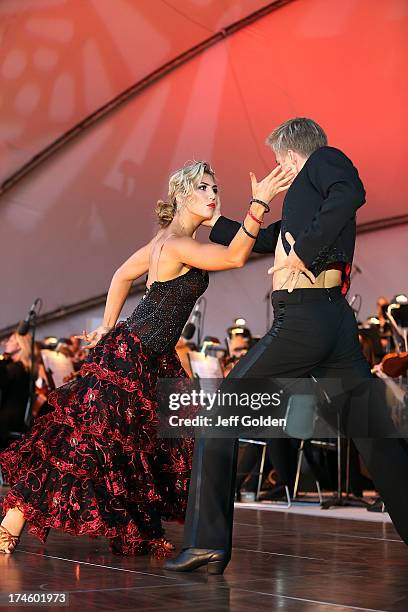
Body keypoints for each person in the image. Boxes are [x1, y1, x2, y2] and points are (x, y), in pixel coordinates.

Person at [0, 160, 294, 556]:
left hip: (143, 355)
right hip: (133, 358)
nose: (213, 196)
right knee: (85, 444)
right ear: (184, 195)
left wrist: (107, 325)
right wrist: (258, 205)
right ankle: (9, 526)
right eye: (204, 188)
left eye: (215, 188)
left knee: (143, 447)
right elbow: (234, 258)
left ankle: (138, 527)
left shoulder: (164, 240)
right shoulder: (175, 244)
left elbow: (121, 275)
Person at [165, 118, 408, 575]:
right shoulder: (305, 200)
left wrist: (305, 252)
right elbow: (272, 240)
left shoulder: (324, 161)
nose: (277, 168)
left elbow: (351, 193)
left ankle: (208, 543)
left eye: (279, 159)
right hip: (329, 323)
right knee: (374, 436)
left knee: (218, 417)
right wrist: (219, 224)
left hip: (305, 320)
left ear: (292, 155)